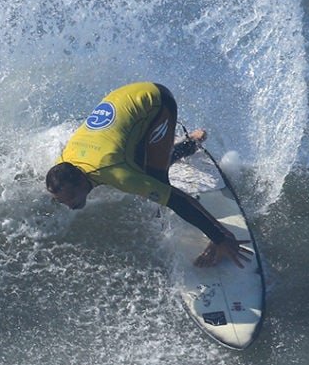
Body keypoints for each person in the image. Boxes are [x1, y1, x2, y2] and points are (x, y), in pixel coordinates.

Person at [46, 82, 251, 268]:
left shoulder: (116, 172)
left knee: (157, 179)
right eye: (62, 201)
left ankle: (224, 235)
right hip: (119, 100)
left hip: (155, 101)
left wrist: (219, 237)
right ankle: (187, 145)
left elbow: (178, 201)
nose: (70, 205)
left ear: (81, 179)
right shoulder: (63, 165)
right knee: (142, 164)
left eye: (71, 198)